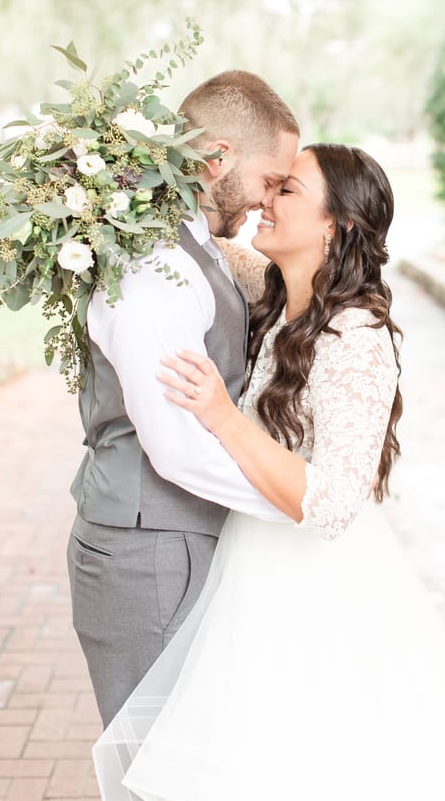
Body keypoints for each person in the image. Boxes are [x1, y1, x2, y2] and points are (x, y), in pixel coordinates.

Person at [93, 144, 445, 801]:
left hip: (316, 587)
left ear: (336, 225)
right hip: (253, 570)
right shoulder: (274, 307)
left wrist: (223, 416)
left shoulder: (356, 333)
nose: (266, 199)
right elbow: (195, 252)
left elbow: (331, 504)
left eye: (287, 190)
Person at [67, 70, 299, 728]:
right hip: (152, 551)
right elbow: (176, 449)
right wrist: (297, 505)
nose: (270, 198)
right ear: (216, 158)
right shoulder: (154, 271)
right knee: (158, 765)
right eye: (269, 179)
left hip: (175, 539)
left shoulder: (194, 247)